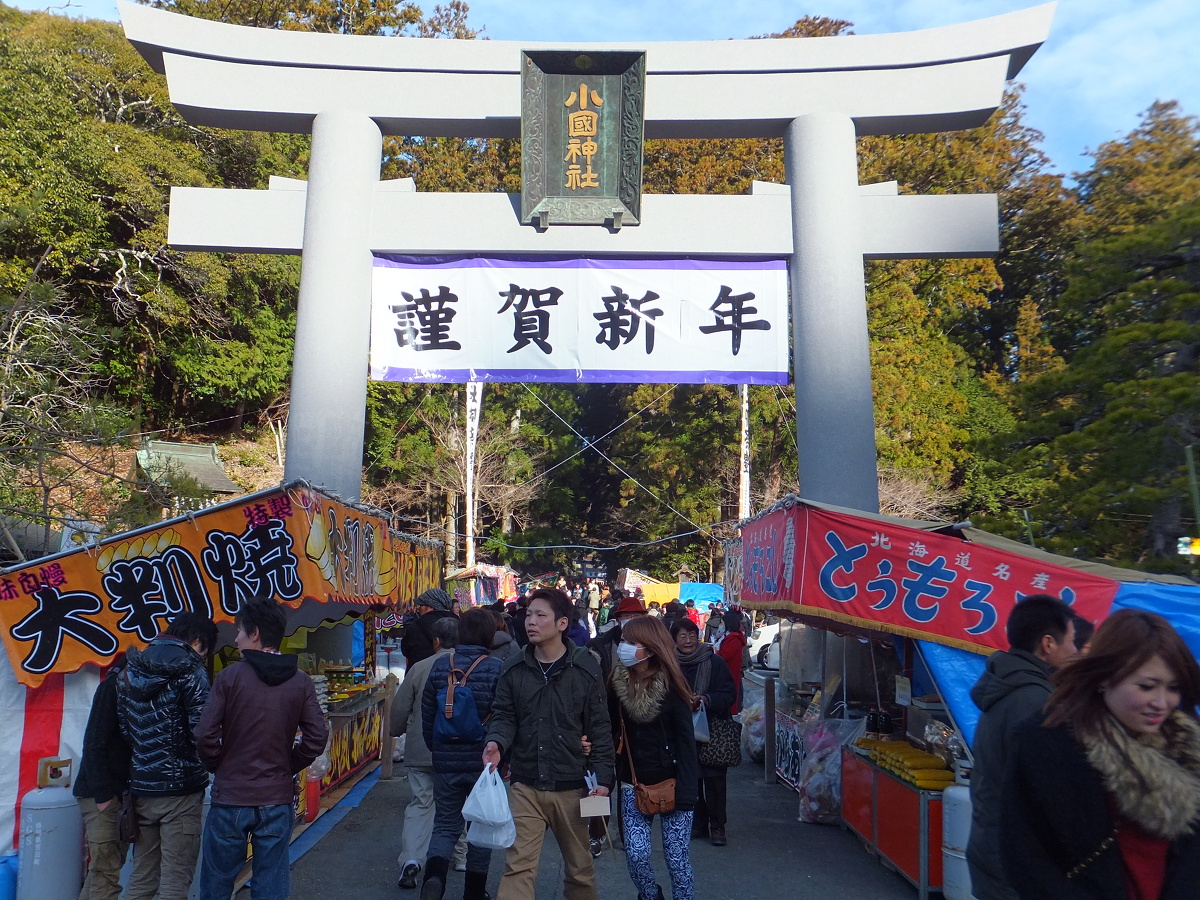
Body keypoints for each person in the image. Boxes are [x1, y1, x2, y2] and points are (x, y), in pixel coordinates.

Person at [1001, 609, 1200, 900]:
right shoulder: (1047, 744)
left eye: (1173, 688)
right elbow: (1024, 857)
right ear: (1104, 679)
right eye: (1146, 686)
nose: (1161, 703)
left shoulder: (1188, 747)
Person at [483, 588, 614, 900]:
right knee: (518, 868)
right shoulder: (514, 667)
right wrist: (496, 742)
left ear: (562, 623)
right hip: (525, 784)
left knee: (580, 871)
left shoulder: (585, 667)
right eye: (528, 614)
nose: (531, 621)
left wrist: (604, 778)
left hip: (573, 786)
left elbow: (600, 727)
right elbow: (503, 714)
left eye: (540, 615)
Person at [194, 597, 327, 900]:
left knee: (217, 884)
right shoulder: (300, 681)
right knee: (271, 884)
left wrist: (219, 764)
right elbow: (317, 736)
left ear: (254, 634)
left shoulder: (229, 677)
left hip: (231, 796)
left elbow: (204, 736)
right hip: (276, 797)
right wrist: (290, 764)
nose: (236, 638)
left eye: (240, 631)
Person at [967, 594, 1077, 900]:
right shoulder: (1033, 701)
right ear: (1048, 644)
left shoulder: (1011, 685)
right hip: (1014, 862)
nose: (1075, 651)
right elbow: (1048, 792)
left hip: (995, 848)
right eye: (1071, 641)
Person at [117, 612, 218, 900]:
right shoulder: (191, 671)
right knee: (175, 879)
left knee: (142, 877)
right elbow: (203, 731)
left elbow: (127, 731)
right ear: (198, 642)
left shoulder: (129, 670)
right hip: (181, 790)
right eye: (205, 651)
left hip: (142, 788)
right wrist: (210, 767)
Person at [612, 616, 699, 900]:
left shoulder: (672, 686)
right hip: (633, 783)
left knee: (677, 859)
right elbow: (608, 732)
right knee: (636, 855)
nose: (623, 647)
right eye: (622, 641)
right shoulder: (616, 684)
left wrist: (688, 791)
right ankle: (650, 895)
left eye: (630, 642)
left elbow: (687, 742)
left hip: (674, 782)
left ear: (650, 648)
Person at [420, 608, 503, 900]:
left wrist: (438, 748)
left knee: (445, 824)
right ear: (489, 634)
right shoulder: (496, 668)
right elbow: (503, 716)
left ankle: (433, 879)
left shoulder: (442, 665)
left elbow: (428, 713)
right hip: (484, 761)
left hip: (446, 758)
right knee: (480, 827)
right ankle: (474, 892)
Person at [391, 616, 459, 890]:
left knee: (421, 803)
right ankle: (462, 857)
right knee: (457, 803)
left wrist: (396, 732)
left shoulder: (419, 667)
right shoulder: (471, 666)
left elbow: (399, 708)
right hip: (458, 750)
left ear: (436, 641)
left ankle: (411, 860)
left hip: (421, 746)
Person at [671, 617, 736, 846]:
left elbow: (729, 694)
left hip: (713, 730)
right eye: (682, 636)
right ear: (675, 640)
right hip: (682, 731)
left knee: (715, 781)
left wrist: (706, 699)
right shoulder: (670, 664)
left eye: (691, 635)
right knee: (691, 779)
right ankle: (698, 823)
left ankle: (718, 826)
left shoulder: (714, 662)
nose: (688, 640)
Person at [74, 652, 131, 900]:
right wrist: (104, 796)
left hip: (114, 793)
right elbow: (93, 744)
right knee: (106, 870)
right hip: (100, 794)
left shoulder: (124, 689)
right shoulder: (112, 689)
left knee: (104, 869)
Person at [402, 588, 458, 667]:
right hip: (453, 675)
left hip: (419, 675)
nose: (418, 609)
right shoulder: (459, 625)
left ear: (431, 607)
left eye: (421, 605)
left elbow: (405, 650)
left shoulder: (415, 627)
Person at [715, 611, 748, 714]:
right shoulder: (730, 637)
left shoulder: (733, 639)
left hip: (729, 672)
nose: (721, 625)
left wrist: (715, 651)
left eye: (722, 623)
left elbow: (724, 655)